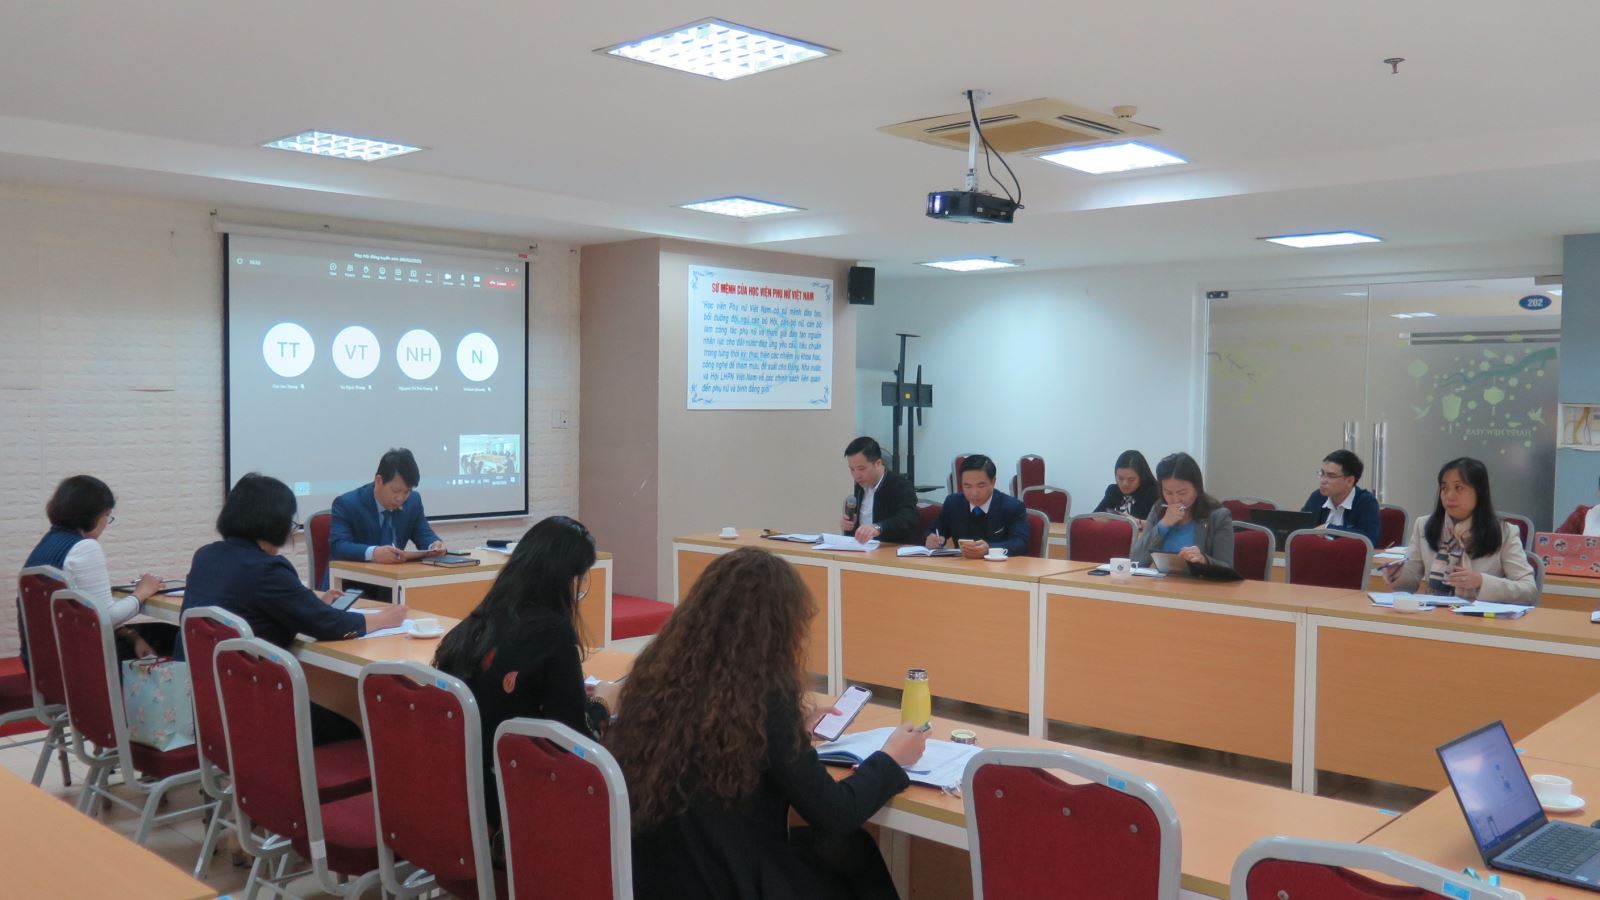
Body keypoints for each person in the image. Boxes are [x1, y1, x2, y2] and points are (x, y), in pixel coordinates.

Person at [611, 547, 926, 900]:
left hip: (664, 876)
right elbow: (835, 812)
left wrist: (788, 735)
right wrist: (891, 758)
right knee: (850, 849)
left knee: (851, 849)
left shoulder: (656, 681)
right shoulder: (765, 699)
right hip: (733, 880)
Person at [177, 473, 406, 743]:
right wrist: (381, 619)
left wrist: (309, 604)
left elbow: (261, 604)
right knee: (355, 727)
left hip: (208, 703)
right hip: (256, 708)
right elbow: (327, 625)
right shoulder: (268, 569)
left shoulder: (206, 556)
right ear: (274, 523)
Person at [433, 515, 621, 824]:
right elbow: (576, 740)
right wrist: (603, 701)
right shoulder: (553, 633)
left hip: (465, 790)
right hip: (518, 800)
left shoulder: (478, 622)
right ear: (564, 579)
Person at [20, 475, 176, 666]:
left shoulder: (47, 543)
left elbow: (86, 613)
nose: (106, 523)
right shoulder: (84, 547)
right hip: (79, 663)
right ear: (92, 515)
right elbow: (106, 617)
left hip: (41, 663)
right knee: (174, 636)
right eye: (107, 515)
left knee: (147, 635)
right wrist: (142, 592)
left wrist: (133, 637)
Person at [1383, 457, 1538, 604]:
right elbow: (1410, 582)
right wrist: (1397, 575)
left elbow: (1528, 590)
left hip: (1481, 618)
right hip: (1433, 614)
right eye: (1444, 488)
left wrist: (1481, 582)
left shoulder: (1504, 533)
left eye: (1459, 488)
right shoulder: (1423, 525)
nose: (1449, 496)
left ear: (1479, 492)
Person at [324, 448, 444, 588]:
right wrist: (374, 553)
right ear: (379, 481)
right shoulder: (347, 503)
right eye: (396, 491)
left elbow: (424, 534)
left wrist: (434, 545)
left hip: (392, 584)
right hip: (350, 586)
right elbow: (339, 546)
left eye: (406, 492)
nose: (400, 498)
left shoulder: (413, 501)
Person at [1130, 452, 1235, 568]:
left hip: (1199, 579)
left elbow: (1226, 567)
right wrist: (1163, 525)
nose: (1175, 499)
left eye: (1182, 493)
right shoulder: (1158, 509)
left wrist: (1205, 560)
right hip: (1160, 579)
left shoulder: (1218, 516)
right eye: (1168, 493)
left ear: (1197, 488)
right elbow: (1135, 560)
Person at [925, 454, 1031, 559]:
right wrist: (931, 539)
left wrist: (989, 549)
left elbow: (1020, 543)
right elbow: (935, 531)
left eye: (981, 486)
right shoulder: (953, 503)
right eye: (967, 486)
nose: (974, 493)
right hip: (961, 565)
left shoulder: (1012, 507)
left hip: (998, 566)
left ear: (993, 482)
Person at [840, 436, 920, 544]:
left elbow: (908, 519)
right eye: (852, 469)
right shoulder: (859, 487)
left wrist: (878, 528)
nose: (856, 475)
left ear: (878, 463)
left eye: (861, 469)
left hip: (891, 549)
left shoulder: (900, 485)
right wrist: (849, 526)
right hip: (862, 548)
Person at [1299, 449, 1383, 546]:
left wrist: (1328, 529)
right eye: (1322, 474)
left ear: (1349, 481)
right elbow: (1300, 529)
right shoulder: (1317, 497)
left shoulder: (1366, 502)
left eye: (1331, 476)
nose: (1323, 480)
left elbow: (1369, 539)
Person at [1091, 450, 1159, 521]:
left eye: (1131, 479)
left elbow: (1158, 525)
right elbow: (1093, 517)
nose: (1125, 484)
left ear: (1142, 477)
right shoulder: (1113, 491)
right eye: (1120, 478)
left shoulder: (1154, 491)